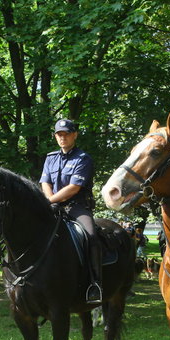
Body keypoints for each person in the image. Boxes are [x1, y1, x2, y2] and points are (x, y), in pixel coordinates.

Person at [40, 118, 101, 303]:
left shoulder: (83, 159)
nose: (62, 137)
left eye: (66, 134)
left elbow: (74, 188)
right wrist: (50, 201)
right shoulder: (51, 158)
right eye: (59, 134)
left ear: (75, 135)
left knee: (91, 235)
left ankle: (95, 284)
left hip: (77, 207)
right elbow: (45, 182)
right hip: (53, 207)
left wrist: (50, 200)